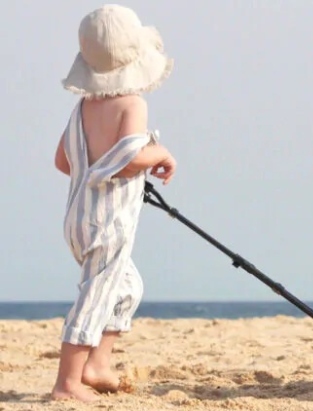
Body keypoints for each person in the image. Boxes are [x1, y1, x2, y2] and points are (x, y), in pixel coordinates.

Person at [51, 4, 177, 402]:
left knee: (126, 288)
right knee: (94, 299)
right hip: (109, 224)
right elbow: (128, 161)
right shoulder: (132, 105)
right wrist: (158, 154)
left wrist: (95, 167)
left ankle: (97, 364)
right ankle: (66, 385)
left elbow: (62, 161)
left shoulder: (83, 108)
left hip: (78, 219)